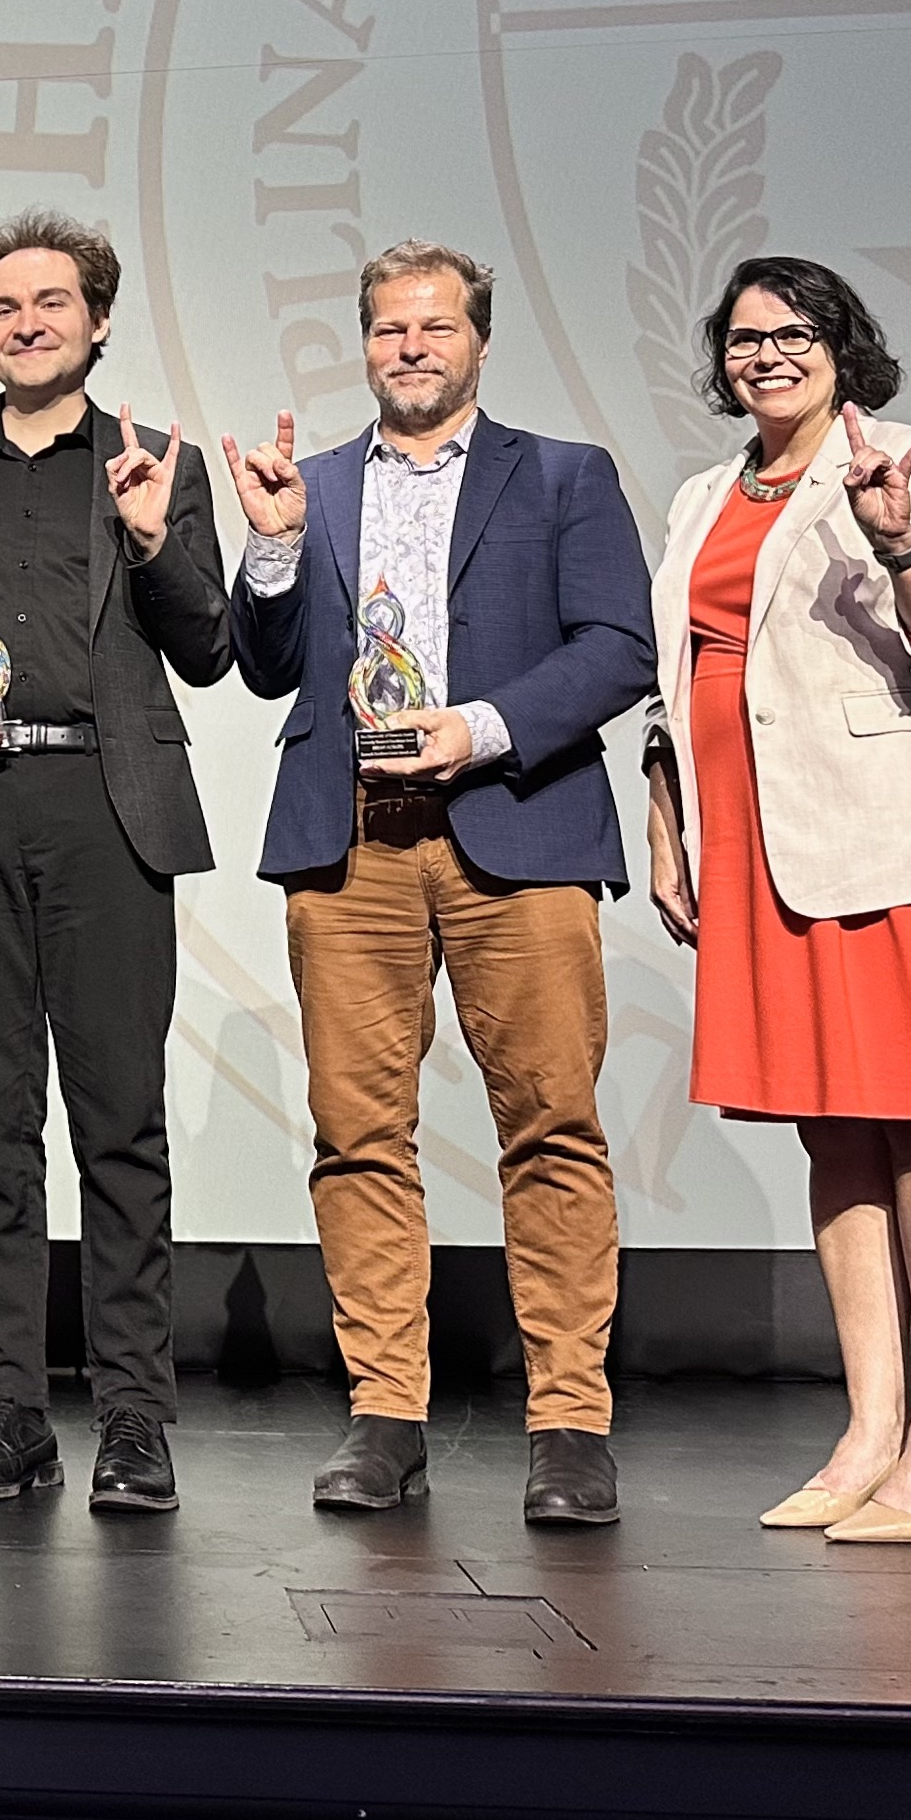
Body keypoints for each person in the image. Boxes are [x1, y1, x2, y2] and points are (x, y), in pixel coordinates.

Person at [222, 240, 654, 1527]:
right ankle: (385, 1416)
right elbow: (261, 664)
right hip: (349, 838)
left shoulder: (565, 476)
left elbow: (620, 645)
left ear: (478, 341)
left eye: (435, 327)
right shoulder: (313, 487)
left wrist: (484, 726)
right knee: (359, 1137)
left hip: (513, 824)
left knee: (553, 1125)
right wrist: (274, 553)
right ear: (364, 346)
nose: (410, 347)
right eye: (388, 330)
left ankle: (570, 1423)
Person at [644, 256, 911, 1544]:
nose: (767, 355)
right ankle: (872, 1426)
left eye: (793, 332)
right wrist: (667, 807)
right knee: (832, 1131)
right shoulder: (704, 492)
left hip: (894, 835)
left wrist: (898, 538)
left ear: (840, 342)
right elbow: (687, 668)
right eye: (744, 338)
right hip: (754, 840)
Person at [0, 211, 231, 1513]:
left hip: (104, 802)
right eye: (4, 307)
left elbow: (209, 643)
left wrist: (149, 537)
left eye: (52, 302)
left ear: (99, 318)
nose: (27, 322)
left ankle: (133, 1421)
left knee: (118, 1122)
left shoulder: (150, 462)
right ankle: (13, 1415)